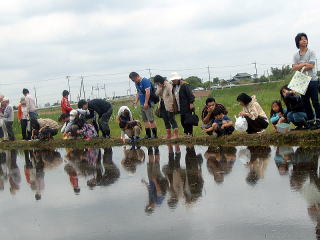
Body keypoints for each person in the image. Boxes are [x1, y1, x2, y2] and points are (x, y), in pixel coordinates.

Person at [292, 33, 320, 128]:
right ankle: (311, 121)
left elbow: (311, 66)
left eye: (305, 39)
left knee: (315, 101)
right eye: (301, 39)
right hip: (302, 81)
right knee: (305, 102)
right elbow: (294, 67)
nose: (304, 40)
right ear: (298, 42)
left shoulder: (311, 52)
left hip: (312, 80)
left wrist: (300, 65)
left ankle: (319, 120)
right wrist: (304, 64)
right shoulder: (296, 55)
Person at [129, 72, 158, 139]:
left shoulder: (145, 81)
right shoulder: (136, 83)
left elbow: (148, 92)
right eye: (132, 80)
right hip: (142, 103)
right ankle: (148, 134)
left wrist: (146, 102)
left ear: (137, 76)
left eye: (133, 80)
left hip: (148, 103)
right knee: (145, 119)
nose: (133, 81)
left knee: (151, 119)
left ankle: (155, 135)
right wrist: (136, 101)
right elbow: (138, 92)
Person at [170, 72, 196, 137]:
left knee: (188, 120)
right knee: (183, 121)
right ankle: (186, 133)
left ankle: (190, 134)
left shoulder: (184, 85)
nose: (173, 81)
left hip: (187, 106)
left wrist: (191, 103)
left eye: (174, 79)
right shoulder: (174, 86)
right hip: (180, 106)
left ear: (178, 79)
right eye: (172, 80)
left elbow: (190, 95)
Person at [154, 75, 179, 139]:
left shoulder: (168, 85)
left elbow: (172, 96)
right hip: (162, 104)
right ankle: (168, 135)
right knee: (165, 119)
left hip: (169, 104)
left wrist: (172, 105)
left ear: (160, 81)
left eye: (157, 83)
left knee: (171, 119)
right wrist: (160, 88)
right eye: (156, 84)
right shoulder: (159, 86)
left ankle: (176, 135)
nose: (157, 84)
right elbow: (156, 94)